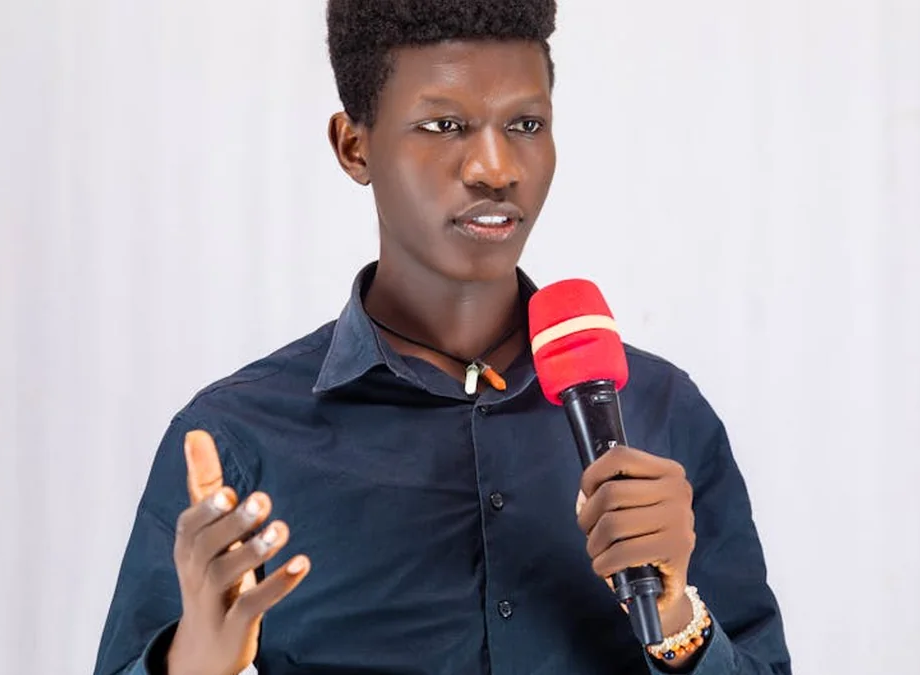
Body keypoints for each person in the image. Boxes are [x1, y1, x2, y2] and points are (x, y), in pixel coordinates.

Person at [92, 1, 792, 673]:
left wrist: (677, 620)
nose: (496, 168)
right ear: (354, 146)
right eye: (445, 125)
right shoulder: (238, 440)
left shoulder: (662, 412)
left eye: (525, 123)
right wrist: (190, 664)